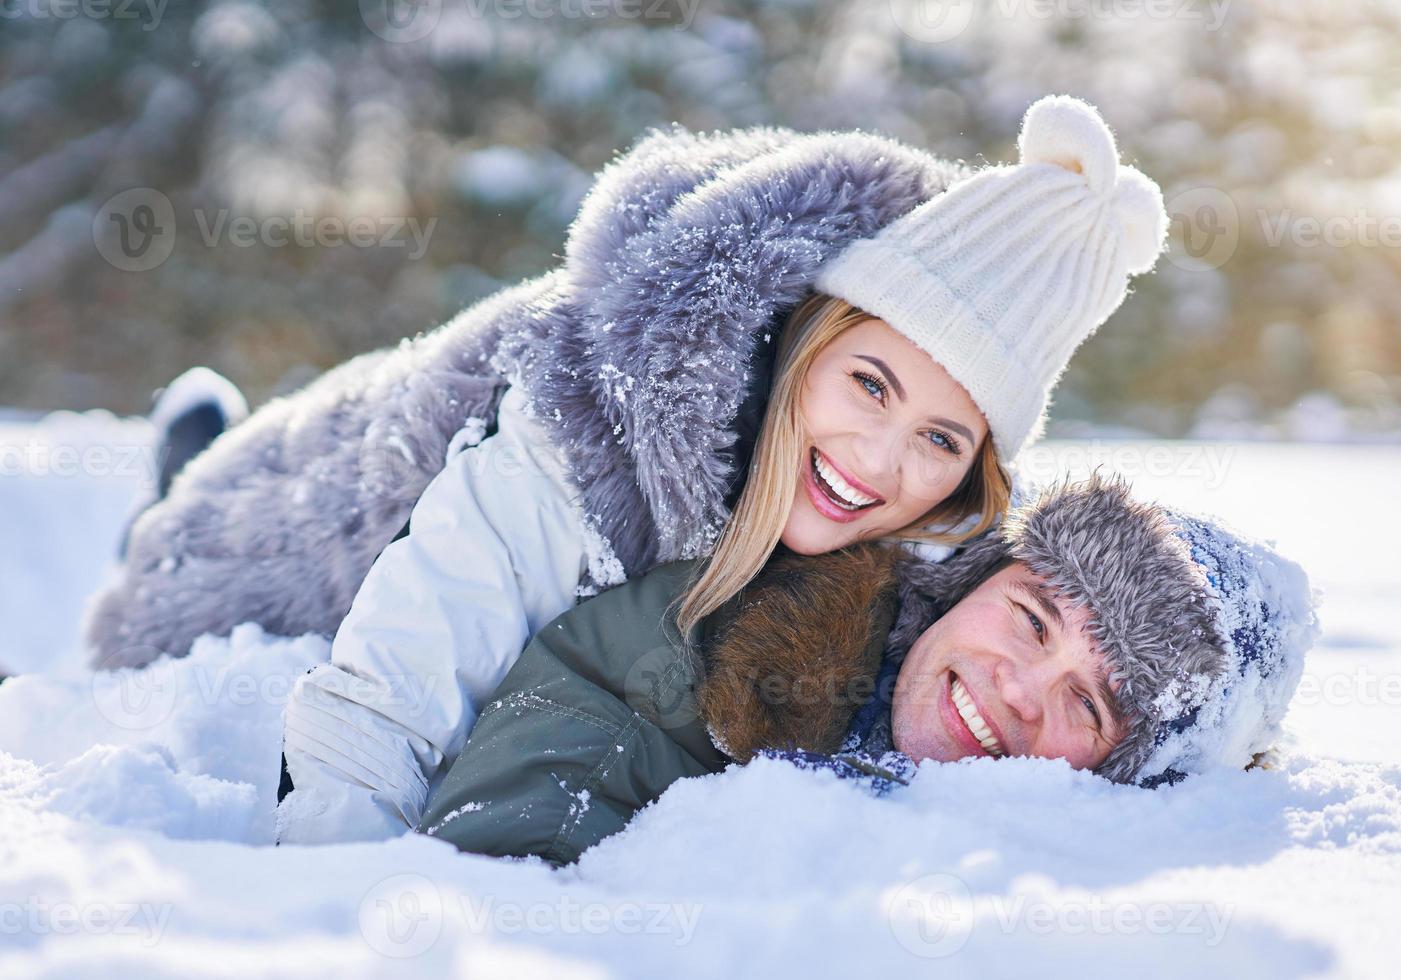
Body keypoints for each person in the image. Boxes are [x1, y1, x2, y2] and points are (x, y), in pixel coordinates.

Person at [81, 95, 1171, 843]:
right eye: (869, 386)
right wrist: (346, 899)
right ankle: (177, 467)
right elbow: (382, 695)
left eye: (939, 438)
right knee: (178, 554)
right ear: (806, 338)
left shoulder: (925, 545)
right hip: (312, 515)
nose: (880, 463)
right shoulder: (581, 444)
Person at [416, 475, 1319, 866]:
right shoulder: (730, 630)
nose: (1014, 687)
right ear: (975, 582)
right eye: (1030, 620)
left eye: (1083, 704)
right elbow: (508, 862)